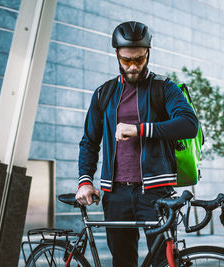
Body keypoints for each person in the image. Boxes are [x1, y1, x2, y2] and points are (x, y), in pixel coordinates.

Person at [75, 21, 199, 267]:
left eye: (139, 60)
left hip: (156, 190)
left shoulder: (164, 88)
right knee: (122, 262)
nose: (132, 67)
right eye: (126, 60)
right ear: (117, 55)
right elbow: (89, 141)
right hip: (115, 192)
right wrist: (85, 180)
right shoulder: (104, 94)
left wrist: (140, 129)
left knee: (165, 261)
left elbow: (188, 124)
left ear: (148, 54)